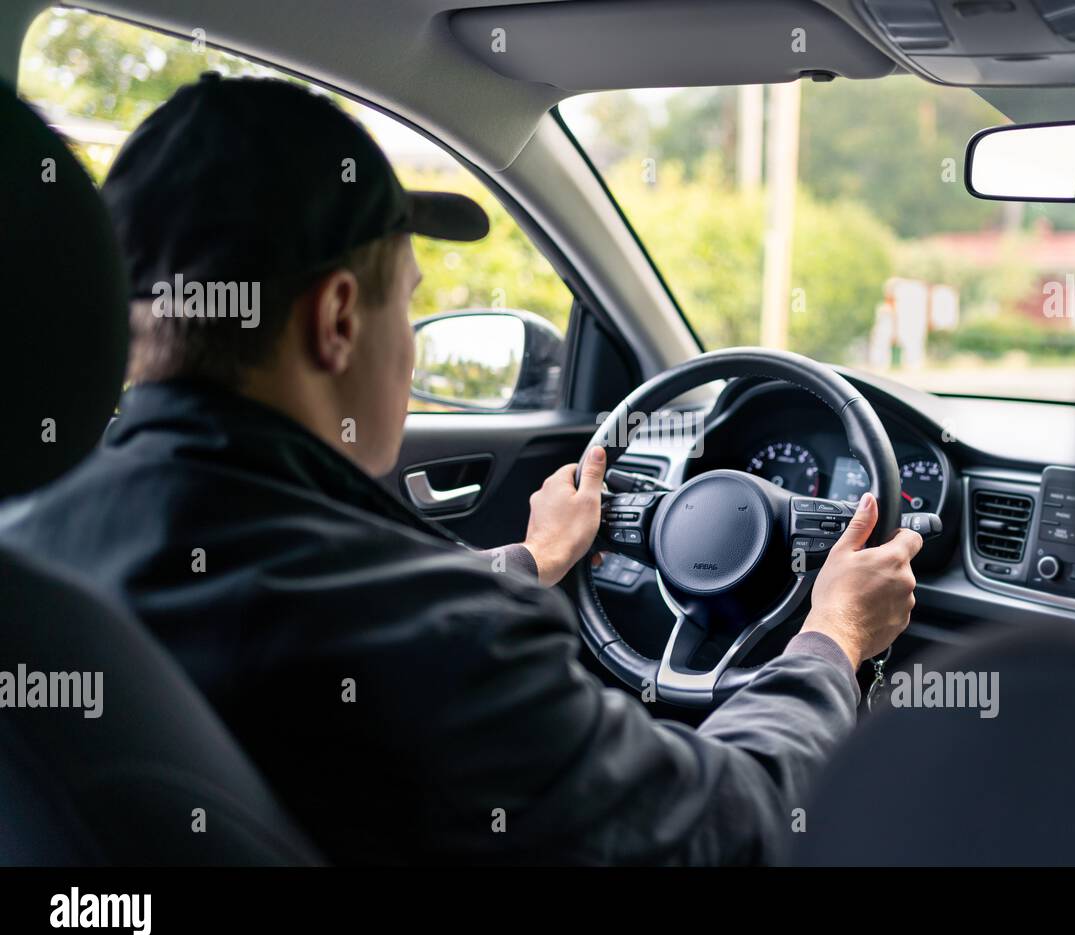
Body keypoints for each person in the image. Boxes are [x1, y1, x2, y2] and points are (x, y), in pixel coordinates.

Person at [0, 75, 922, 864]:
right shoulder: (444, 641)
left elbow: (307, 616)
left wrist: (527, 564)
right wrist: (831, 638)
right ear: (336, 319)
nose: (411, 347)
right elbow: (731, 829)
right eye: (411, 304)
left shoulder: (33, 552)